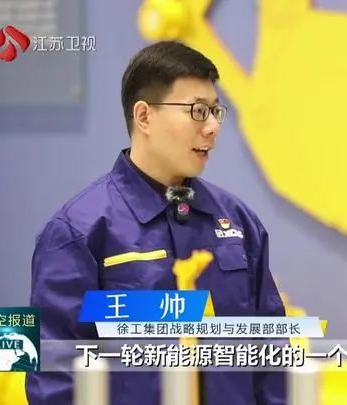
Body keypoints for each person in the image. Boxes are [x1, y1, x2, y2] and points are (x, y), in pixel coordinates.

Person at [26, 40, 286, 405]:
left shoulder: (239, 222)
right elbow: (54, 378)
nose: (213, 127)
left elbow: (272, 356)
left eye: (216, 111)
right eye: (198, 111)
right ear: (144, 117)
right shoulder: (78, 232)